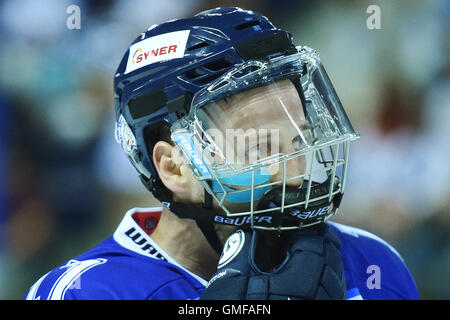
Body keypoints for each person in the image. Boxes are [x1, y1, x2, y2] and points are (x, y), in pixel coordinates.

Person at [25, 7, 418, 300]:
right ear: (174, 167)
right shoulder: (89, 291)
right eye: (260, 149)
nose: (296, 175)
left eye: (299, 142)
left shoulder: (370, 262)